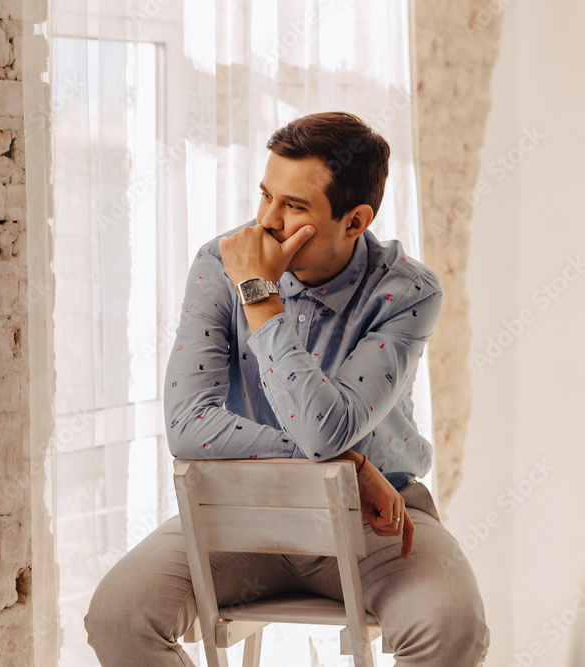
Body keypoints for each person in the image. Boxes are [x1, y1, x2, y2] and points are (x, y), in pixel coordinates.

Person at [85, 112, 489, 665]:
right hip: (242, 518)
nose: (267, 222)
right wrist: (352, 465)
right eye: (265, 196)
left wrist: (259, 294)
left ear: (355, 221)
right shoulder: (218, 261)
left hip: (374, 522)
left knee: (453, 628)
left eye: (294, 206)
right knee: (118, 614)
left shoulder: (406, 291)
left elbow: (326, 429)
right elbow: (187, 426)